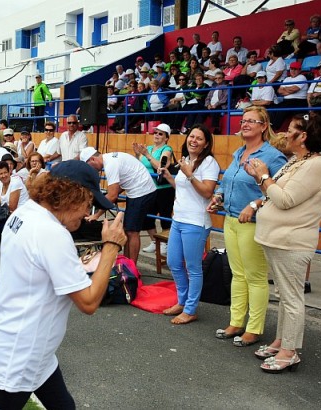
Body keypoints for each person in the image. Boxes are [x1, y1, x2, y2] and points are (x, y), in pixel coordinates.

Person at [0, 160, 124, 410]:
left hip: (30, 347)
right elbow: (89, 302)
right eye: (87, 204)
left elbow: (38, 268)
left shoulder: (24, 212)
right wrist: (111, 247)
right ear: (70, 196)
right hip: (22, 352)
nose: (86, 213)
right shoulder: (52, 233)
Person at [244, 113, 321, 373]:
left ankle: (289, 351)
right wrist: (259, 177)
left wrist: (263, 176)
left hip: (292, 242)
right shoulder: (297, 161)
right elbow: (271, 193)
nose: (283, 133)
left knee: (291, 298)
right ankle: (282, 340)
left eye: (291, 129)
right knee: (283, 296)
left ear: (303, 136)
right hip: (277, 240)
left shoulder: (316, 166)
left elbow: (284, 199)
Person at [209, 106, 287, 348]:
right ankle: (235, 322)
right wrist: (219, 196)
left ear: (264, 126)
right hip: (231, 220)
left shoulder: (273, 156)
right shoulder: (238, 153)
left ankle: (254, 328)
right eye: (243, 121)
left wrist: (254, 204)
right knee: (238, 274)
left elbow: (281, 192)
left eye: (251, 121)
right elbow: (226, 181)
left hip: (254, 223)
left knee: (255, 276)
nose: (244, 124)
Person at [157, 125, 220, 325]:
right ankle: (182, 301)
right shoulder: (186, 161)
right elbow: (184, 189)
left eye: (199, 138)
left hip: (195, 222)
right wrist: (169, 177)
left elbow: (207, 192)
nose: (193, 140)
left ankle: (191, 308)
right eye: (191, 136)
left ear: (206, 144)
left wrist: (190, 174)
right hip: (179, 219)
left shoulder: (209, 162)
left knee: (193, 267)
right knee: (173, 263)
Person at [83, 147, 156, 264]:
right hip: (139, 190)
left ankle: (131, 269)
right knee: (128, 230)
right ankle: (126, 263)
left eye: (89, 167)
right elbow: (117, 189)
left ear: (92, 159)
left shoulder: (110, 164)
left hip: (142, 192)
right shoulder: (111, 158)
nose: (93, 171)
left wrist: (96, 215)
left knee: (132, 232)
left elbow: (112, 196)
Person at [132, 123, 175, 256]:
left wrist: (147, 155)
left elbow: (161, 166)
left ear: (166, 138)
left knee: (164, 216)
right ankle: (154, 241)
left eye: (160, 134)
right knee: (147, 217)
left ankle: (165, 244)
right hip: (148, 188)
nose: (156, 135)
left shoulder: (167, 149)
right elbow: (140, 164)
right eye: (155, 132)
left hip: (164, 189)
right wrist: (137, 154)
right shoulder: (148, 148)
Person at [270, 62, 309, 130]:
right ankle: (274, 128)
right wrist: (290, 91)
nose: (293, 71)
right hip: (287, 101)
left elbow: (295, 89)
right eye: (291, 69)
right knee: (273, 108)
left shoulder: (302, 77)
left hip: (299, 101)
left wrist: (285, 89)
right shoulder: (287, 79)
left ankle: (275, 128)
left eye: (295, 69)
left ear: (299, 70)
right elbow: (279, 91)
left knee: (284, 109)